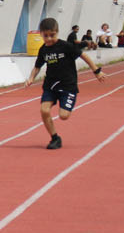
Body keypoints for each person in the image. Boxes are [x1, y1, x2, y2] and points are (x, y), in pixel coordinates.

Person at [24, 16, 105, 150]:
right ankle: (55, 138)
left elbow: (83, 55)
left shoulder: (65, 46)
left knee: (63, 116)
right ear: (41, 34)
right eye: (46, 36)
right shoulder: (43, 49)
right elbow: (37, 66)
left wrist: (96, 71)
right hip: (50, 86)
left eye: (52, 35)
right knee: (44, 110)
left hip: (68, 86)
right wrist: (31, 78)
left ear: (57, 32)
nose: (49, 39)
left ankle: (67, 104)